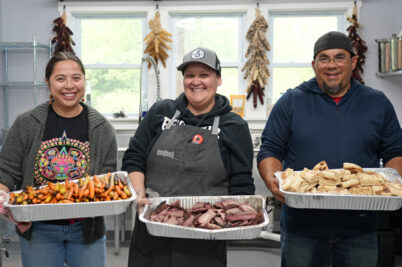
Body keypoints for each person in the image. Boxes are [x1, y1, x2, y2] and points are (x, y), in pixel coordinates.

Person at [257, 31, 402, 267]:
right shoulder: (291, 101)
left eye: (339, 57)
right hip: (302, 227)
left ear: (353, 62)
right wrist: (273, 179)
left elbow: (396, 152)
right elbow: (270, 149)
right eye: (324, 58)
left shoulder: (377, 103)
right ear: (314, 65)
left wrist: (393, 186)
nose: (331, 65)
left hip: (359, 227)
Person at [122, 47, 255, 267]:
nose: (196, 81)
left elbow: (241, 183)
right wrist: (139, 196)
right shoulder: (161, 112)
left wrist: (234, 217)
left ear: (218, 79)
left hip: (204, 237)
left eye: (204, 75)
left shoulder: (234, 126)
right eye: (190, 75)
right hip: (153, 228)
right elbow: (135, 157)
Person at [0, 51, 117, 267]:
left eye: (76, 78)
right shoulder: (27, 123)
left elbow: (107, 181)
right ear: (48, 83)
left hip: (86, 230)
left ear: (84, 80)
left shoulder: (102, 127)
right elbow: (6, 171)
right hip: (38, 228)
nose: (69, 86)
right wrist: (2, 194)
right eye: (60, 78)